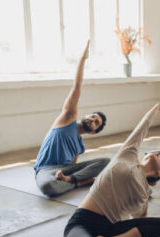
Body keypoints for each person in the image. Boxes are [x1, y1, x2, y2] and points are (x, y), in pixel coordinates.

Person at [64, 102, 160, 237]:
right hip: (83, 221)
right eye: (156, 153)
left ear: (158, 174)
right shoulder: (128, 156)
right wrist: (155, 108)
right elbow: (140, 131)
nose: (156, 153)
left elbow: (141, 222)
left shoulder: (144, 194)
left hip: (112, 229)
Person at [33, 41, 109, 197]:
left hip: (66, 171)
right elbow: (77, 86)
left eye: (96, 123)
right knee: (48, 187)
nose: (92, 120)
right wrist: (82, 59)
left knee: (105, 162)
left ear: (94, 132)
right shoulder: (67, 120)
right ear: (84, 116)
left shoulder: (79, 147)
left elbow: (74, 165)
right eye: (92, 117)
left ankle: (73, 181)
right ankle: (79, 183)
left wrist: (71, 176)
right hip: (46, 170)